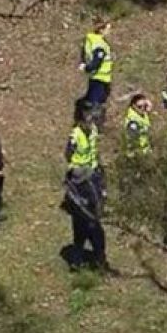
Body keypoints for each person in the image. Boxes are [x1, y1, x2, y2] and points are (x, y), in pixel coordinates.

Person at [63, 99, 108, 270]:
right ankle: (79, 258)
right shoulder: (75, 135)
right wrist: (79, 171)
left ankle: (96, 257)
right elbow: (69, 155)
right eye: (87, 116)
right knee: (84, 221)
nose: (91, 119)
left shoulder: (94, 130)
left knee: (94, 222)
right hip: (80, 181)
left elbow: (95, 153)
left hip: (93, 177)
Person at [78, 19, 113, 119]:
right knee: (95, 104)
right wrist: (88, 68)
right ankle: (92, 124)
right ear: (101, 30)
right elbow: (97, 61)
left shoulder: (93, 40)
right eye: (107, 29)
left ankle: (90, 121)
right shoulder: (99, 43)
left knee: (94, 101)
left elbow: (85, 55)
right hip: (100, 77)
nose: (109, 32)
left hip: (98, 77)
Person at [123, 92, 153, 157]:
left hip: (145, 150)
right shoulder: (133, 121)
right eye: (139, 106)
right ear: (133, 106)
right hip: (138, 154)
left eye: (144, 106)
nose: (142, 108)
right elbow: (133, 140)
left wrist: (148, 105)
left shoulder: (142, 114)